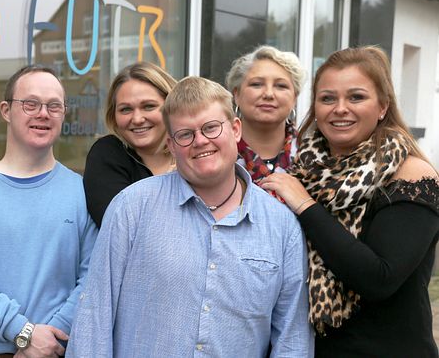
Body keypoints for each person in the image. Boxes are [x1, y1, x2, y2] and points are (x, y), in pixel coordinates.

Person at [68, 76, 314, 357]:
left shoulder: (281, 226)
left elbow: (292, 340)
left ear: (235, 129)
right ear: (171, 145)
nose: (200, 141)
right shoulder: (131, 208)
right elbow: (94, 316)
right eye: (185, 134)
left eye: (211, 128)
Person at [261, 46, 439, 357]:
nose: (340, 108)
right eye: (327, 98)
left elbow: (378, 278)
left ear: (382, 106)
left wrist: (306, 207)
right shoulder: (305, 171)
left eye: (356, 97)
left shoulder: (409, 175)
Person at [0, 65, 98, 358]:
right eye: (30, 104)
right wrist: (23, 333)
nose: (43, 113)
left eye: (54, 106)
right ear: (5, 110)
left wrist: (49, 341)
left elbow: (93, 280)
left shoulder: (84, 195)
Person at [83, 62, 177, 227]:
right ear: (114, 115)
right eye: (126, 109)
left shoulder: (192, 150)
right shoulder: (108, 154)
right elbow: (124, 227)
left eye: (148, 106)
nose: (137, 119)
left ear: (171, 106)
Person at [226, 45, 305, 192]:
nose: (269, 94)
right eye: (257, 84)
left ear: (294, 98)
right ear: (236, 94)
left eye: (281, 86)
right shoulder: (216, 152)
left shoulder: (314, 156)